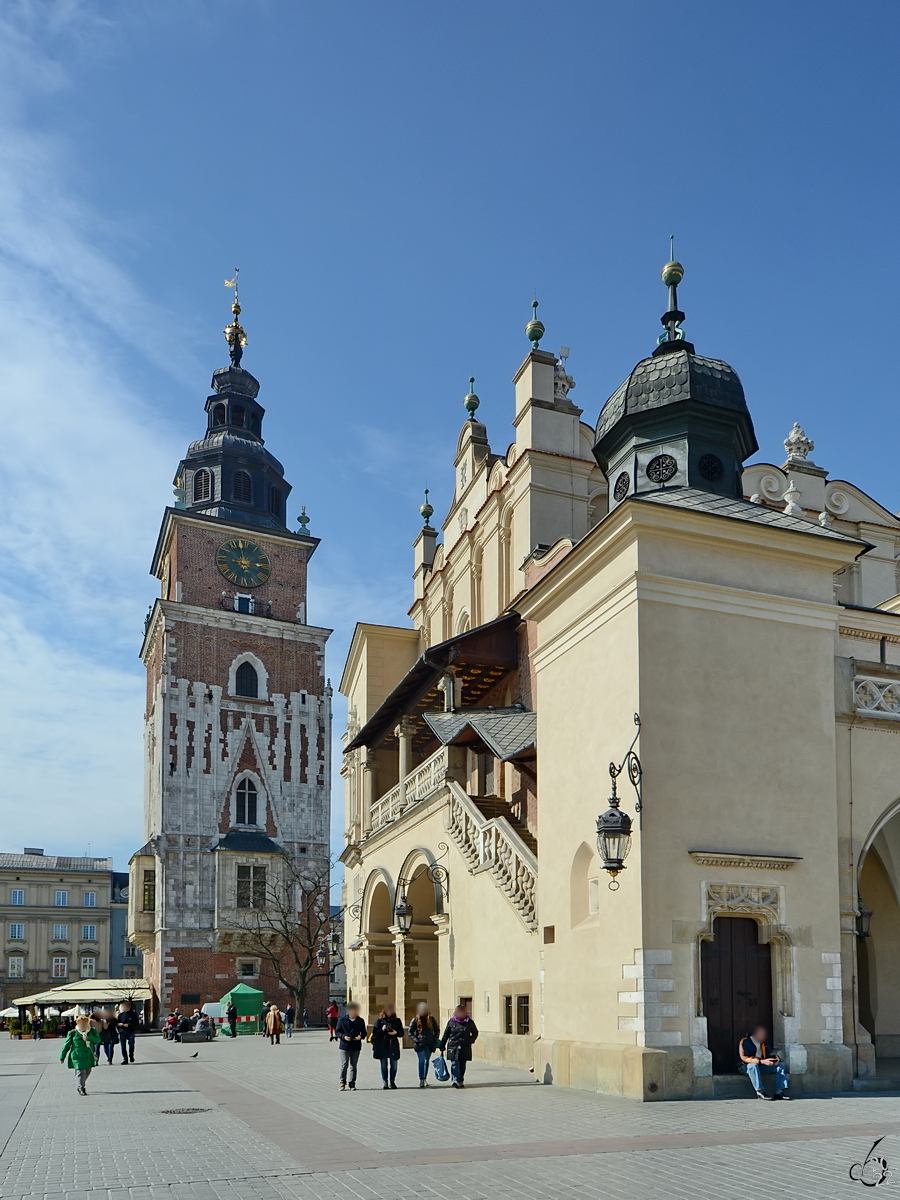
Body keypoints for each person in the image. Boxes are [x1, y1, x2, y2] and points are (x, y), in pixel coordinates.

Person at [739, 1025, 790, 1100]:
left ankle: (779, 1092)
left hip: (761, 1066)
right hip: (746, 1066)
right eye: (761, 1034)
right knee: (753, 1066)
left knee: (780, 1065)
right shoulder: (745, 1041)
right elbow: (744, 1058)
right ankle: (760, 1091)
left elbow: (771, 1054)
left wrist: (776, 1060)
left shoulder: (764, 1043)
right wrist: (761, 1061)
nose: (763, 1036)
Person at [60, 1012, 100, 1096]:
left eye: (85, 1022)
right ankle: (81, 1088)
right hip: (77, 1056)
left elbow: (98, 1040)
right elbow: (66, 1045)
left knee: (88, 1071)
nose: (83, 1024)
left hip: (88, 1056)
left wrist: (89, 1038)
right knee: (81, 1072)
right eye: (81, 1023)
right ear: (77, 1023)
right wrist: (62, 1056)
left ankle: (80, 1084)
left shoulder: (92, 1031)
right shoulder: (73, 1033)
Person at [438, 1005, 479, 1088]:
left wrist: (470, 1041)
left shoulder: (469, 1022)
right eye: (459, 1012)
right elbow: (446, 1034)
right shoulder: (451, 1022)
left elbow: (475, 1032)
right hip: (453, 1046)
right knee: (454, 1063)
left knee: (462, 1064)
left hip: (465, 1046)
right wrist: (442, 1044)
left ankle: (460, 1080)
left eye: (463, 1012)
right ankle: (455, 1080)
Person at [372, 1003, 404, 1090]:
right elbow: (374, 1034)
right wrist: (382, 1030)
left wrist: (395, 1033)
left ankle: (392, 1081)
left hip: (393, 1045)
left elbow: (401, 1033)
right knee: (383, 1065)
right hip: (382, 1046)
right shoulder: (379, 1020)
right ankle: (385, 1082)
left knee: (394, 1065)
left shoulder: (397, 1020)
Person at [408, 1002, 440, 1088]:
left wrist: (434, 1040)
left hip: (429, 1044)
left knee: (426, 1061)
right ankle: (421, 1079)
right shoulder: (415, 1019)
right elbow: (410, 1032)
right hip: (420, 1044)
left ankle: (425, 1078)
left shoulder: (431, 1019)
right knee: (421, 1061)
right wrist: (416, 1040)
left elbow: (437, 1030)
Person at [335, 1002, 366, 1090]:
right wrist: (343, 1036)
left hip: (356, 1045)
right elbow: (337, 1031)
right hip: (344, 1045)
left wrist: (361, 1036)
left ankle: (352, 1083)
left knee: (353, 1065)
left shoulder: (360, 1020)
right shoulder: (342, 1020)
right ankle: (342, 1082)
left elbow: (364, 1032)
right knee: (344, 1064)